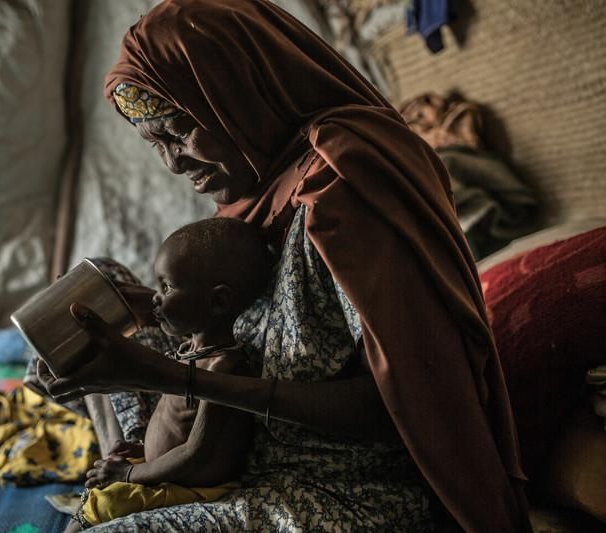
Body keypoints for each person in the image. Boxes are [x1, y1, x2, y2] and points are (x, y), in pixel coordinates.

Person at [29, 0, 533, 530]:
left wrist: (168, 375)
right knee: (83, 304)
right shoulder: (262, 180)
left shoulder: (346, 187)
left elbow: (408, 409)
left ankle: (134, 470)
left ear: (238, 93)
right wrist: (156, 316)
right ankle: (131, 462)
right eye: (156, 144)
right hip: (234, 434)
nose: (174, 162)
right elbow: (260, 321)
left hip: (333, 488)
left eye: (180, 130)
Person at [66, 217, 271, 529]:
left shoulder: (225, 367)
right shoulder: (191, 351)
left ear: (218, 301)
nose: (155, 298)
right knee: (99, 488)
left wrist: (129, 475)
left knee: (107, 500)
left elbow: (195, 454)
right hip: (164, 469)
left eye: (167, 287)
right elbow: (176, 428)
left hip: (194, 488)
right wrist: (144, 449)